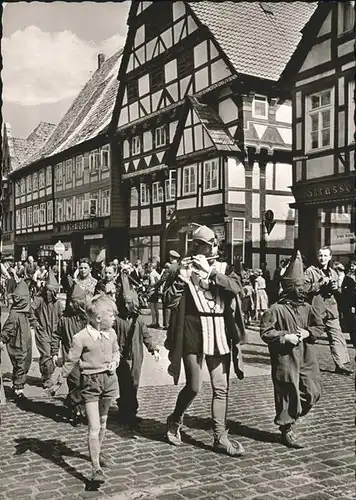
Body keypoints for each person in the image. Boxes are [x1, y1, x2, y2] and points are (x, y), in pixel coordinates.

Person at [164, 225, 245, 456]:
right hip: (193, 329)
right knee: (193, 385)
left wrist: (210, 273)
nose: (201, 248)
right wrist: (179, 281)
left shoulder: (224, 268)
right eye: (198, 244)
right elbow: (168, 300)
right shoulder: (183, 268)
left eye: (206, 245)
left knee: (221, 387)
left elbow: (236, 287)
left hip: (219, 330)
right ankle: (175, 418)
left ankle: (220, 436)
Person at [260, 250, 324, 448]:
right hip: (285, 358)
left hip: (306, 356)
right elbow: (265, 332)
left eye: (305, 285)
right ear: (289, 287)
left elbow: (318, 326)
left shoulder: (307, 307)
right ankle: (286, 427)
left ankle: (291, 416)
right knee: (287, 391)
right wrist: (283, 336)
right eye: (299, 285)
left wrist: (307, 333)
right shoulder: (275, 309)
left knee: (313, 391)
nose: (303, 289)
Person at [56, 294, 120, 484]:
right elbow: (70, 361)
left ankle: (97, 454)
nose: (115, 318)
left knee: (103, 422)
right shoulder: (80, 337)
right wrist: (59, 380)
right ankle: (95, 468)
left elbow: (116, 351)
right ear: (99, 318)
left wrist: (115, 361)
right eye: (112, 314)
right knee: (94, 426)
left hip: (109, 381)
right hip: (91, 383)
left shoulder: (112, 333)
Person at [114, 290, 160, 425]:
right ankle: (125, 410)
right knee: (124, 383)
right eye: (125, 303)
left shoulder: (139, 320)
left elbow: (146, 336)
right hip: (121, 357)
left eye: (129, 303)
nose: (126, 306)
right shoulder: (117, 320)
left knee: (134, 383)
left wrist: (154, 349)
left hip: (136, 356)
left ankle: (131, 411)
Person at [304, 247, 352, 376]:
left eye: (325, 256)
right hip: (316, 309)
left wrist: (336, 288)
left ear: (330, 257)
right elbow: (304, 289)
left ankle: (340, 364)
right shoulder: (310, 271)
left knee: (336, 337)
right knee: (311, 337)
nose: (322, 258)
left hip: (331, 309)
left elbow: (339, 293)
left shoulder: (333, 272)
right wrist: (319, 284)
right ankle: (304, 363)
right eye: (320, 255)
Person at [51, 281, 88, 424]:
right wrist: (55, 352)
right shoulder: (64, 319)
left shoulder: (86, 319)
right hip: (70, 358)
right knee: (75, 383)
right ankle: (76, 411)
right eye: (71, 302)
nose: (72, 305)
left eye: (76, 302)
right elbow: (56, 335)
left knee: (85, 385)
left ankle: (75, 405)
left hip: (86, 357)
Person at [0, 281, 35, 398]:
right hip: (18, 344)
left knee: (25, 364)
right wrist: (2, 339)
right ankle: (18, 388)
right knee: (20, 364)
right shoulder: (14, 314)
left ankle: (17, 384)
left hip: (26, 343)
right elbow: (8, 329)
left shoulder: (24, 312)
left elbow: (32, 316)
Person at [32, 271, 63, 388]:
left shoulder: (58, 303)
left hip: (54, 332)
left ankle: (47, 374)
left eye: (53, 291)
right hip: (42, 331)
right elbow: (30, 310)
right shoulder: (39, 300)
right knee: (46, 353)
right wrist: (35, 322)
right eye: (49, 290)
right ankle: (46, 378)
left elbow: (61, 316)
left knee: (52, 353)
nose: (50, 293)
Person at [154, 250, 181, 329]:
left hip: (168, 289)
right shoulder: (179, 267)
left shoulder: (170, 268)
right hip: (177, 290)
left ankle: (167, 324)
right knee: (175, 307)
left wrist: (155, 286)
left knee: (167, 306)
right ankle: (173, 324)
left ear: (171, 258)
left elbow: (162, 280)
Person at [341, 261, 356, 348]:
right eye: (351, 266)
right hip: (351, 304)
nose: (352, 267)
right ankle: (354, 341)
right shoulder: (347, 277)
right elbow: (344, 291)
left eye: (354, 266)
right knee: (353, 324)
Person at [147, 262, 162, 328]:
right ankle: (157, 322)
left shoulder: (151, 274)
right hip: (156, 291)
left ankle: (153, 322)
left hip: (153, 291)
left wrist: (148, 289)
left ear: (151, 267)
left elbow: (152, 283)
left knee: (152, 308)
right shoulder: (157, 274)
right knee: (156, 308)